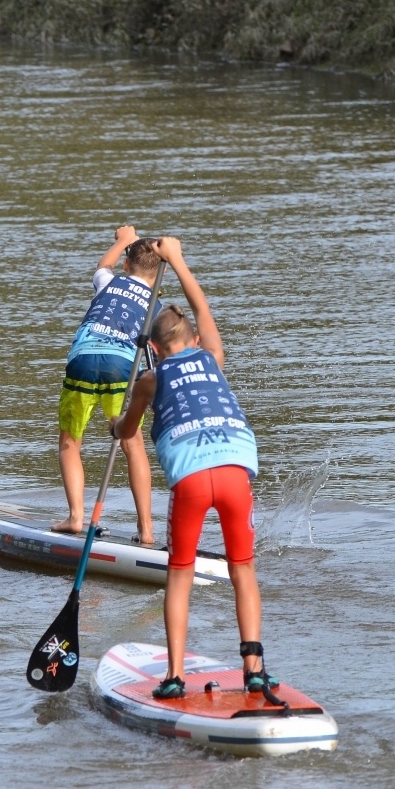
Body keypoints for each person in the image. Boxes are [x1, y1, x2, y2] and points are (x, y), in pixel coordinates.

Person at [110, 237, 277, 699]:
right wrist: (179, 260)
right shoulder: (214, 359)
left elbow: (127, 431)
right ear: (195, 342)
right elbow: (203, 309)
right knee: (243, 569)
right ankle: (255, 670)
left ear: (156, 349)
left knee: (179, 573)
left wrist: (116, 426)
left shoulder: (150, 377)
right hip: (235, 472)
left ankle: (175, 676)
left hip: (191, 477)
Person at [53, 225, 161, 545]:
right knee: (133, 445)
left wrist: (123, 240)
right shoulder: (156, 304)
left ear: (126, 266)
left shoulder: (109, 281)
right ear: (156, 275)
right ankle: (146, 530)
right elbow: (154, 355)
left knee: (71, 441)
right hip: (121, 368)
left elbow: (102, 266)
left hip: (83, 358)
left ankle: (75, 518)